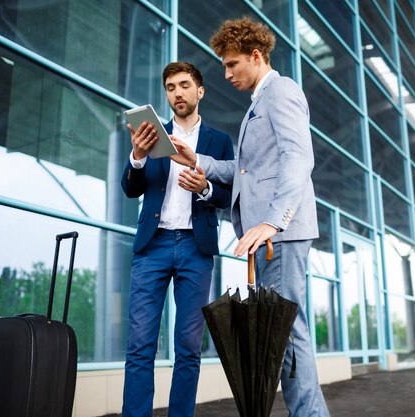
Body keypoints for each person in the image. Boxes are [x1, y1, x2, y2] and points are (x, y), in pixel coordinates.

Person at [170, 17, 330, 417]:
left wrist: (273, 221)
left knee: (287, 333)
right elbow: (246, 170)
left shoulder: (281, 92)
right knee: (288, 331)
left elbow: (299, 158)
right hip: (271, 237)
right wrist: (200, 161)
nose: (225, 74)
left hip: (280, 234)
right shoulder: (259, 103)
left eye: (231, 64)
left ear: (256, 56)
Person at [121, 61, 234, 417]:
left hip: (195, 249)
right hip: (152, 246)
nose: (177, 93)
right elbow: (130, 189)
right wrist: (137, 158)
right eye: (170, 87)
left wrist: (206, 188)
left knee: (188, 347)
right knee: (140, 344)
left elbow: (231, 197)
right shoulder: (153, 135)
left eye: (184, 85)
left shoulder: (219, 141)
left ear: (199, 91)